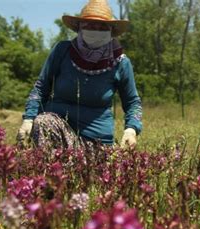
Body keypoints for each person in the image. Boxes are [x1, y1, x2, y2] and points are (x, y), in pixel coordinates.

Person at [16, 0, 142, 150]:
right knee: (43, 122)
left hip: (97, 140)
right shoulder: (62, 51)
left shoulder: (120, 62)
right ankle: (49, 173)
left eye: (102, 26)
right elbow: (41, 87)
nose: (96, 29)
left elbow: (132, 102)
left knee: (99, 172)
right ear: (79, 27)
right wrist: (29, 119)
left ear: (110, 31)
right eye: (90, 24)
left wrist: (131, 129)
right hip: (57, 129)